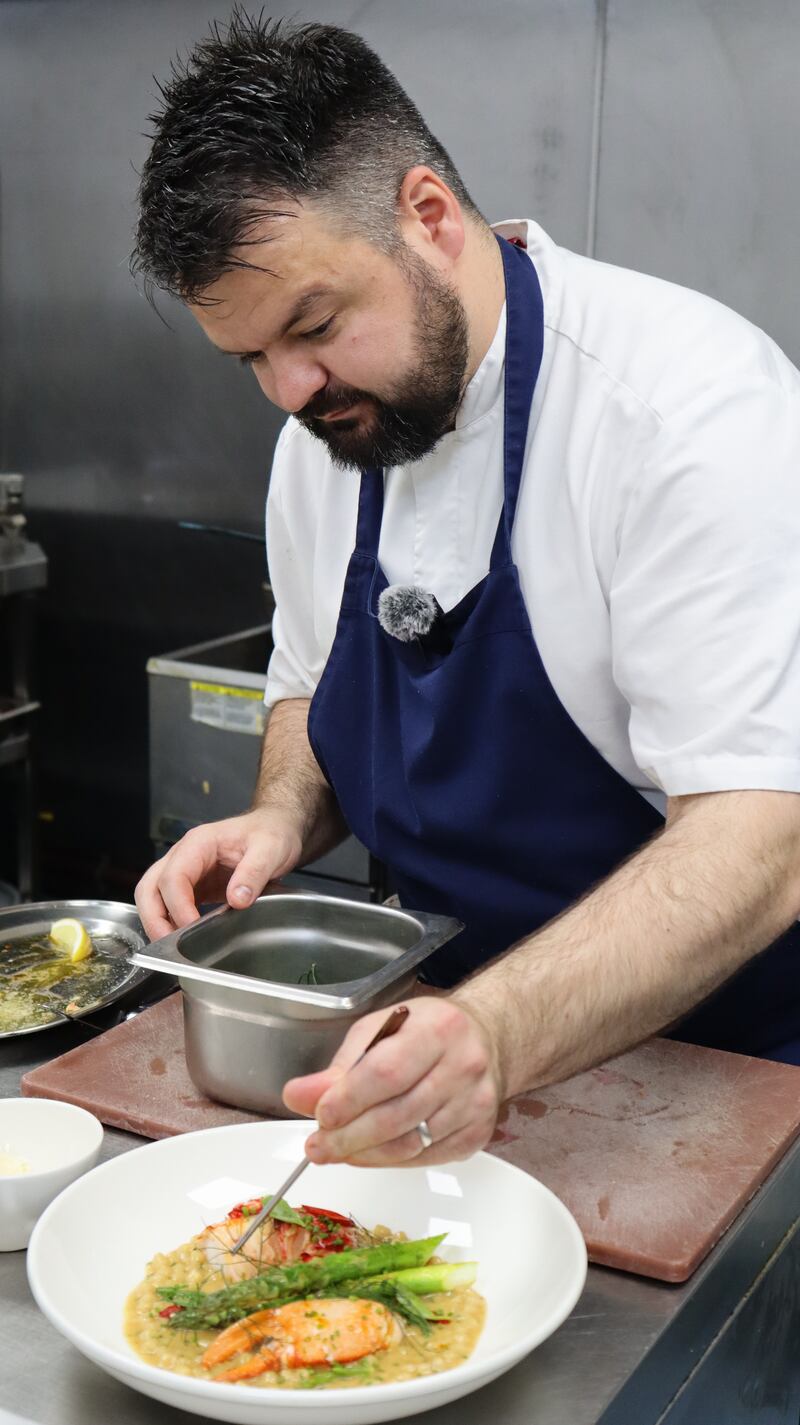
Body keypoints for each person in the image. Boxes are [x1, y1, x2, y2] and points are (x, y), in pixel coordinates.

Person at [132, 13, 800, 1169]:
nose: (288, 390)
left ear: (428, 217)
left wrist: (495, 1029)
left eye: (313, 325)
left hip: (718, 1090)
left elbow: (761, 836)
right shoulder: (325, 435)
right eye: (250, 360)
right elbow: (308, 683)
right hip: (436, 1059)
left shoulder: (686, 413)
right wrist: (282, 813)